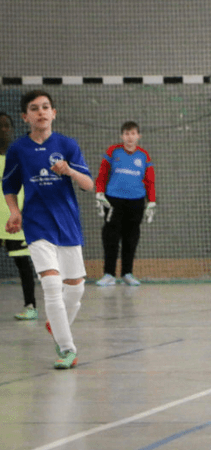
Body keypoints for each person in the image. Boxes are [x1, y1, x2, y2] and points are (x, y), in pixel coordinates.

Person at [3, 90, 94, 369]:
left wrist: (69, 171)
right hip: (36, 223)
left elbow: (88, 184)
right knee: (52, 284)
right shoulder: (19, 149)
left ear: (53, 113)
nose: (41, 112)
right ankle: (67, 349)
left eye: (45, 107)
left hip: (67, 223)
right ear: (25, 116)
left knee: (76, 288)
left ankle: (56, 324)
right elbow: (9, 186)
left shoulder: (67, 145)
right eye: (34, 108)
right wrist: (15, 213)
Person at [94, 121, 156, 287]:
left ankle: (127, 273)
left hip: (136, 201)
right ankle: (109, 274)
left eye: (133, 133)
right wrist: (99, 192)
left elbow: (150, 181)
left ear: (139, 136)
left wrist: (152, 201)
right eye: (127, 134)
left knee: (131, 238)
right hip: (113, 200)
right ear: (122, 136)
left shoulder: (144, 155)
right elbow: (102, 174)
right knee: (111, 237)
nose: (130, 137)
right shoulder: (113, 151)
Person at [0, 112, 36, 320]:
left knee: (24, 265)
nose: (4, 129)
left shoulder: (19, 155)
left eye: (7, 126)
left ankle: (30, 305)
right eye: (0, 126)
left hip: (15, 220)